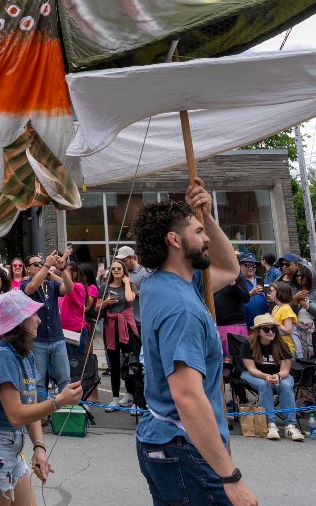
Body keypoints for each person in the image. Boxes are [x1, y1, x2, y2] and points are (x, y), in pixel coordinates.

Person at [130, 184, 256, 506]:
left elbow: (229, 269)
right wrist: (230, 477)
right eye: (199, 232)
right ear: (174, 239)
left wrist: (207, 216)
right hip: (186, 447)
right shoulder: (181, 307)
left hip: (165, 442)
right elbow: (186, 395)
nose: (207, 239)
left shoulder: (163, 283)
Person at [0, 290, 83, 505]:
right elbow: (16, 415)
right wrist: (59, 401)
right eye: (33, 314)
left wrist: (39, 447)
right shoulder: (2, 355)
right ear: (19, 321)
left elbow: (31, 407)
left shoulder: (26, 354)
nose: (39, 320)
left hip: (12, 442)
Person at [239, 314, 302, 441]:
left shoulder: (282, 344)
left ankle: (290, 426)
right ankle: (270, 424)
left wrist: (277, 376)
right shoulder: (248, 343)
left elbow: (285, 370)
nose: (271, 332)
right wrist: (266, 376)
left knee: (286, 385)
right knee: (264, 384)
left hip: (279, 374)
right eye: (266, 329)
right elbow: (251, 369)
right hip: (254, 374)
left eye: (273, 328)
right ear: (258, 331)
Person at [22, 249, 72, 392]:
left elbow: (69, 288)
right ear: (27, 269)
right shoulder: (25, 284)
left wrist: (62, 268)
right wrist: (46, 266)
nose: (40, 266)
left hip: (57, 338)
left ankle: (64, 406)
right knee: (38, 382)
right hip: (38, 340)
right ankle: (40, 407)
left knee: (65, 378)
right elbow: (31, 288)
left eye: (41, 263)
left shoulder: (51, 284)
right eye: (36, 264)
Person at [99, 259, 139, 408]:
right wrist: (106, 303)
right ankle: (115, 399)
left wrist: (127, 282)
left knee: (130, 363)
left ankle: (132, 396)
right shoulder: (104, 286)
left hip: (126, 327)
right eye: (113, 268)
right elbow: (97, 307)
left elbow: (130, 298)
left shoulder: (129, 285)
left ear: (124, 271)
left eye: (119, 268)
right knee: (114, 365)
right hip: (110, 327)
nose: (116, 270)